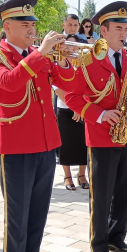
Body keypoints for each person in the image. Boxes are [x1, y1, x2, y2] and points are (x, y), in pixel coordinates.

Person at [0, 0, 73, 252]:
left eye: (33, 23)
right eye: (25, 23)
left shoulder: (39, 54)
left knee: (38, 212)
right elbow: (8, 84)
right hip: (16, 146)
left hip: (46, 143)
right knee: (17, 213)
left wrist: (65, 60)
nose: (32, 28)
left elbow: (67, 83)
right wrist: (40, 54)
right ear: (7, 26)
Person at [64, 1, 127, 252]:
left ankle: (117, 237)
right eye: (119, 28)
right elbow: (71, 96)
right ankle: (98, 242)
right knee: (101, 192)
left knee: (124, 190)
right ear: (104, 30)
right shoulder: (87, 58)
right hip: (102, 133)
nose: (125, 33)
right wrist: (100, 114)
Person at [54, 34, 89, 192]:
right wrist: (75, 108)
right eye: (66, 45)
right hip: (66, 110)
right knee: (65, 144)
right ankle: (67, 176)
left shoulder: (83, 63)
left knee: (84, 143)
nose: (69, 48)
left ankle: (82, 175)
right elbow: (58, 90)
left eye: (72, 45)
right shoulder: (58, 63)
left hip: (83, 110)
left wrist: (82, 108)